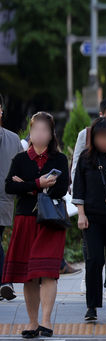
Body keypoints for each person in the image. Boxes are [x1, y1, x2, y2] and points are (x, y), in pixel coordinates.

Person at [4, 112, 69, 338]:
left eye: (44, 130)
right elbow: (9, 187)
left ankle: (46, 321)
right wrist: (38, 184)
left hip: (50, 220)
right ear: (30, 133)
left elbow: (62, 189)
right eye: (35, 130)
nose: (39, 134)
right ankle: (32, 322)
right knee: (28, 274)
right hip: (25, 219)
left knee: (49, 272)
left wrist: (28, 186)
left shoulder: (59, 160)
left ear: (51, 135)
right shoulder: (20, 159)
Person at [72, 117, 106, 322]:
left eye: (105, 136)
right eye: (98, 137)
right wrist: (81, 213)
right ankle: (92, 306)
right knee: (94, 260)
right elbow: (79, 187)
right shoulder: (87, 158)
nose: (102, 141)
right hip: (92, 217)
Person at [0, 95, 24, 302]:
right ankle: (4, 282)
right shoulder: (14, 139)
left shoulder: (13, 139)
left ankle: (4, 282)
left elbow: (22, 166)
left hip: (4, 197)